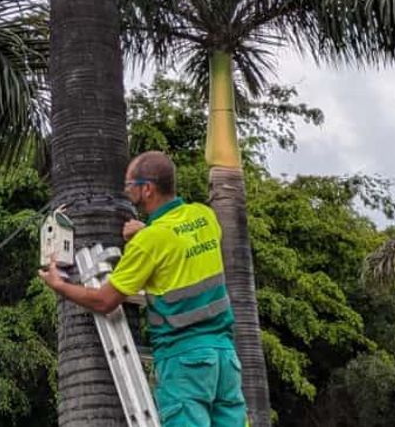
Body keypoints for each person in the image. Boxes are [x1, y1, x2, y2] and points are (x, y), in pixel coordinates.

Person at [38, 151, 247, 426]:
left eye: (129, 185)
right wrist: (146, 228)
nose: (126, 191)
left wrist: (60, 285)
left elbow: (104, 301)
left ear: (147, 189)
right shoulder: (205, 216)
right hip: (225, 359)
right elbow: (177, 242)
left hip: (184, 362)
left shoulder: (148, 243)